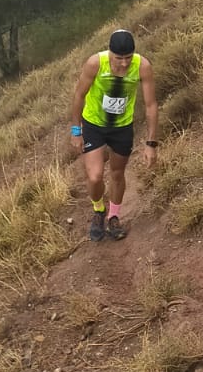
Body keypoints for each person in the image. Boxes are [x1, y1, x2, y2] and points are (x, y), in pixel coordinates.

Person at [68, 28, 158, 241]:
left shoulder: (142, 66)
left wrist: (151, 143)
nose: (124, 63)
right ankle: (98, 209)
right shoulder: (96, 63)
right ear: (109, 52)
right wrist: (75, 130)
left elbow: (151, 104)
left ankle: (114, 217)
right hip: (94, 124)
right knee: (95, 175)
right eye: (119, 58)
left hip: (122, 127)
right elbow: (79, 96)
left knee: (117, 173)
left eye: (128, 58)